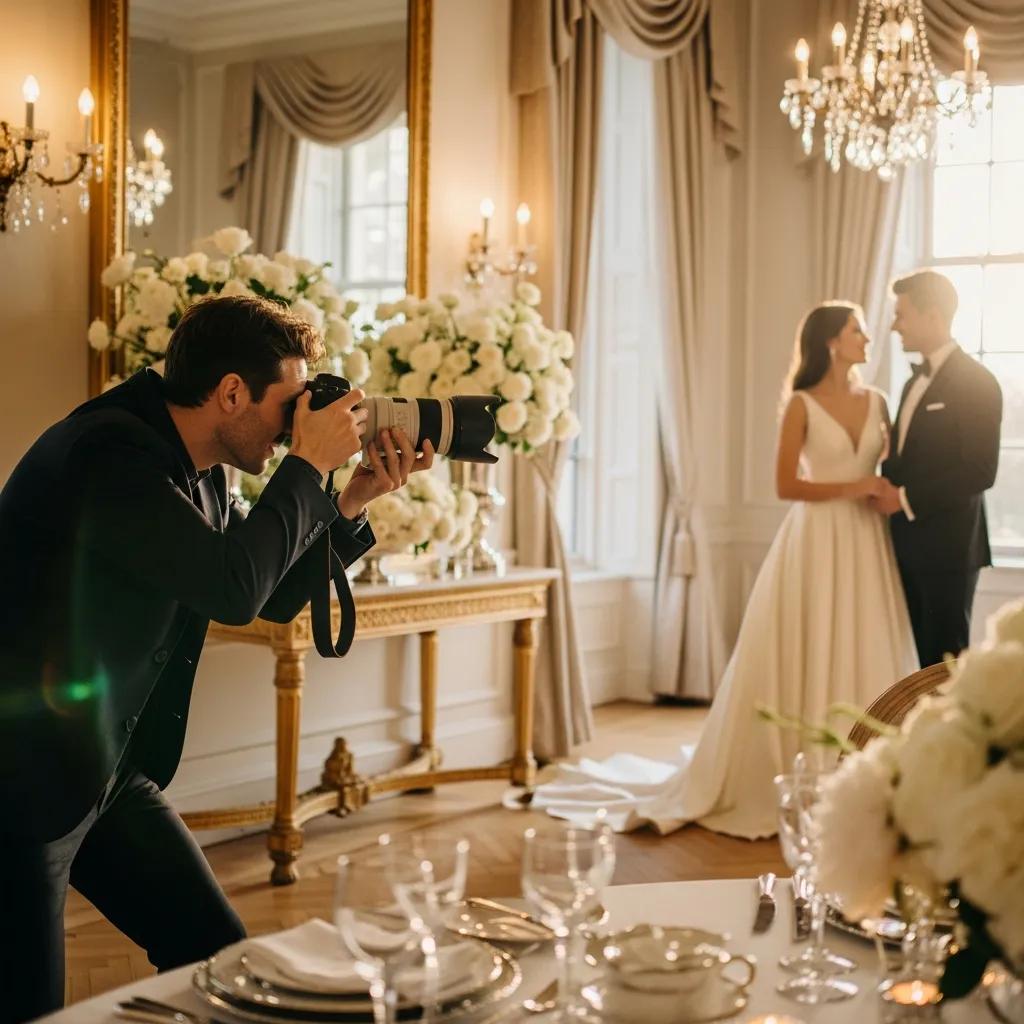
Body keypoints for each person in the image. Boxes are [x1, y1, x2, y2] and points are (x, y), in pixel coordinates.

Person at [0, 295, 434, 1022]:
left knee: (218, 951)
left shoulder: (201, 467)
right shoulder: (108, 453)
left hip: (95, 760)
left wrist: (350, 501)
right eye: (290, 403)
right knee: (30, 1007)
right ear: (231, 391)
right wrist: (305, 464)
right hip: (20, 776)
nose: (298, 423)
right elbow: (231, 589)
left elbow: (259, 593)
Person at [526, 303, 917, 839]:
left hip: (865, 541)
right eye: (858, 330)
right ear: (831, 341)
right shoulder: (801, 405)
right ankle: (802, 773)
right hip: (816, 539)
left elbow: (893, 471)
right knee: (809, 642)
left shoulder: (879, 402)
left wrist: (884, 492)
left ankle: (863, 779)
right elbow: (786, 486)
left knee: (861, 638)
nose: (869, 338)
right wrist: (859, 486)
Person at [873, 270, 1002, 668]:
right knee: (914, 665)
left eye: (902, 315)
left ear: (933, 316)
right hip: (905, 545)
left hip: (949, 549)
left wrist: (905, 498)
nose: (894, 326)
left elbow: (980, 471)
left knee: (943, 664)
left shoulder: (978, 382)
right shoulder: (912, 384)